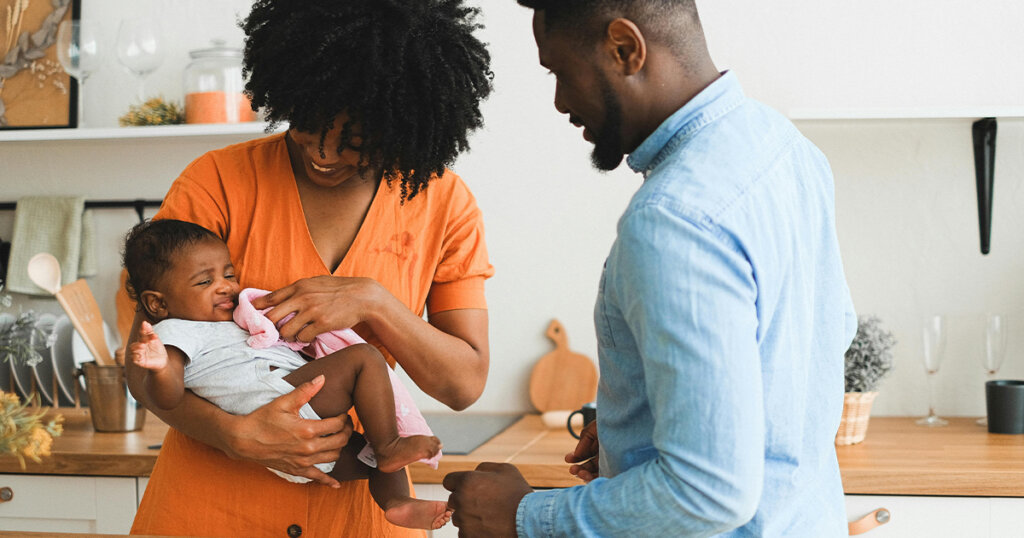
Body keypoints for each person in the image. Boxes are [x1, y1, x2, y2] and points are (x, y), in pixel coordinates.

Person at [443, 1, 857, 536]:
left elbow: (706, 492)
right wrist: (637, 417)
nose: (560, 102)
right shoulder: (784, 147)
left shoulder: (673, 220)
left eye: (561, 73)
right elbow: (818, 340)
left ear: (625, 48)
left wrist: (524, 516)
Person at [120, 1, 494, 536]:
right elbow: (144, 366)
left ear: (401, 124)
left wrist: (374, 301)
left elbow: (463, 383)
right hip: (209, 513)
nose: (323, 152)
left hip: (361, 517)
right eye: (309, 123)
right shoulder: (216, 182)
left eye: (355, 142)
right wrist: (233, 434)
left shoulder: (445, 203)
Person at [122, 219, 451, 530]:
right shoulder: (174, 332)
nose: (225, 287)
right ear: (158, 303)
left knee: (372, 458)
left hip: (295, 437)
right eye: (205, 281)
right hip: (279, 400)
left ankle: (397, 502)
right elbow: (168, 397)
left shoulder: (236, 319)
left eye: (228, 274)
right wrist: (159, 368)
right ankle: (390, 443)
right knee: (364, 359)